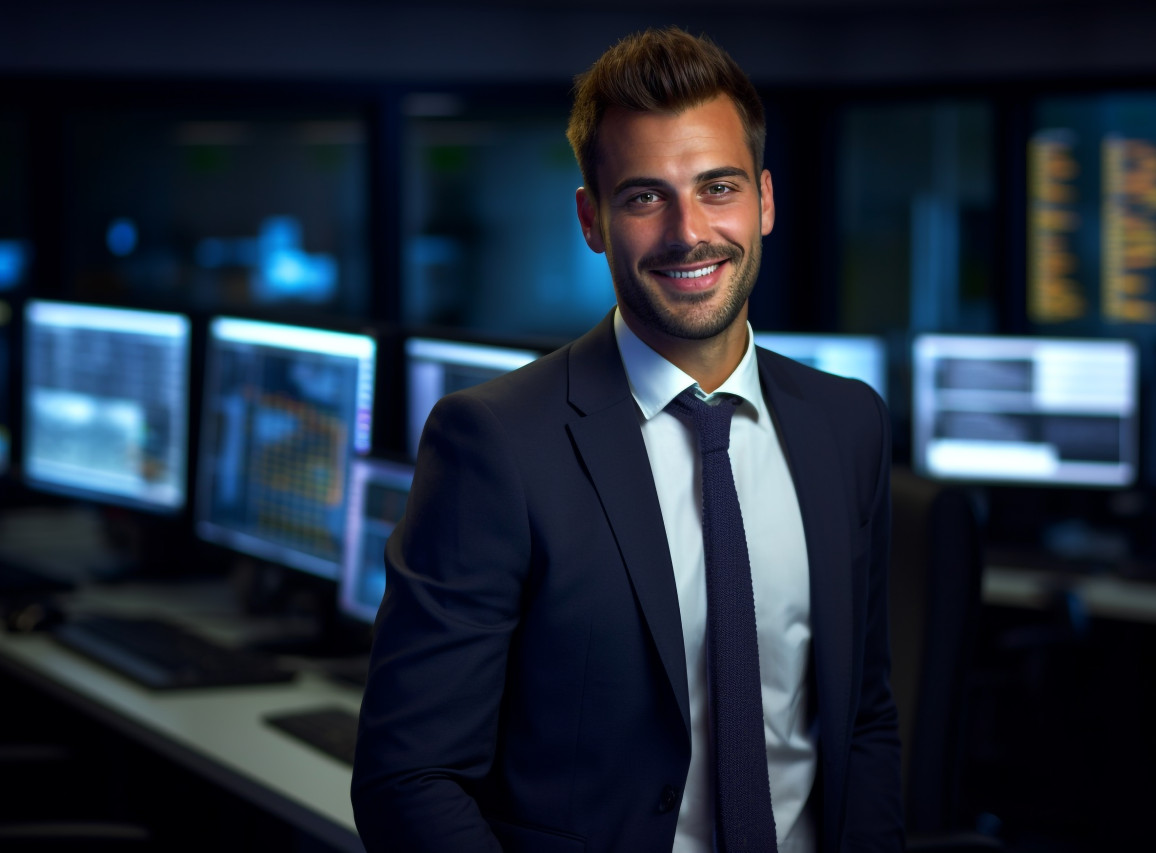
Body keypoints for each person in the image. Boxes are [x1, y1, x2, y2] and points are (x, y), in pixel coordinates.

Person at [352, 26, 903, 853]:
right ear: (593, 220)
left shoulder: (847, 423)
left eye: (717, 188)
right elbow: (408, 778)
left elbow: (863, 717)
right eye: (646, 196)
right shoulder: (495, 442)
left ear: (765, 200)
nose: (689, 231)